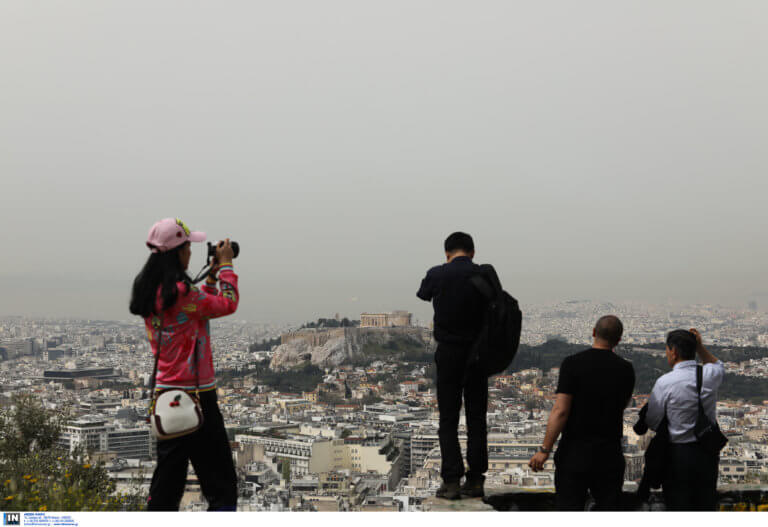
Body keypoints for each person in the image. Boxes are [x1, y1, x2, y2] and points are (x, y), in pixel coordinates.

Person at [129, 218, 239, 511]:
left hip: (165, 397)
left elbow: (200, 309)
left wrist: (211, 277)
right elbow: (227, 304)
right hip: (197, 396)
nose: (190, 252)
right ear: (176, 251)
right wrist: (226, 266)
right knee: (222, 488)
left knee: (166, 488)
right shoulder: (182, 293)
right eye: (187, 246)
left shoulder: (152, 291)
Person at [528, 316, 635, 511]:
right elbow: (623, 404)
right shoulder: (626, 369)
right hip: (609, 455)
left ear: (593, 332)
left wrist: (544, 450)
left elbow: (560, 411)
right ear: (619, 340)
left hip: (574, 454)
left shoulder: (572, 364)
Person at [417, 232, 490, 499]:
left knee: (448, 418)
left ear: (447, 253)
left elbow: (424, 294)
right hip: (478, 355)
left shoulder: (437, 274)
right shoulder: (483, 274)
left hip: (449, 353)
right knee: (476, 417)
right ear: (472, 252)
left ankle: (451, 481)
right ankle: (476, 479)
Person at [644, 329, 724, 511]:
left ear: (673, 352)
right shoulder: (709, 375)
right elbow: (718, 364)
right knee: (705, 507)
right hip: (706, 454)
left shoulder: (665, 382)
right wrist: (700, 348)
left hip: (677, 456)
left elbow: (652, 420)